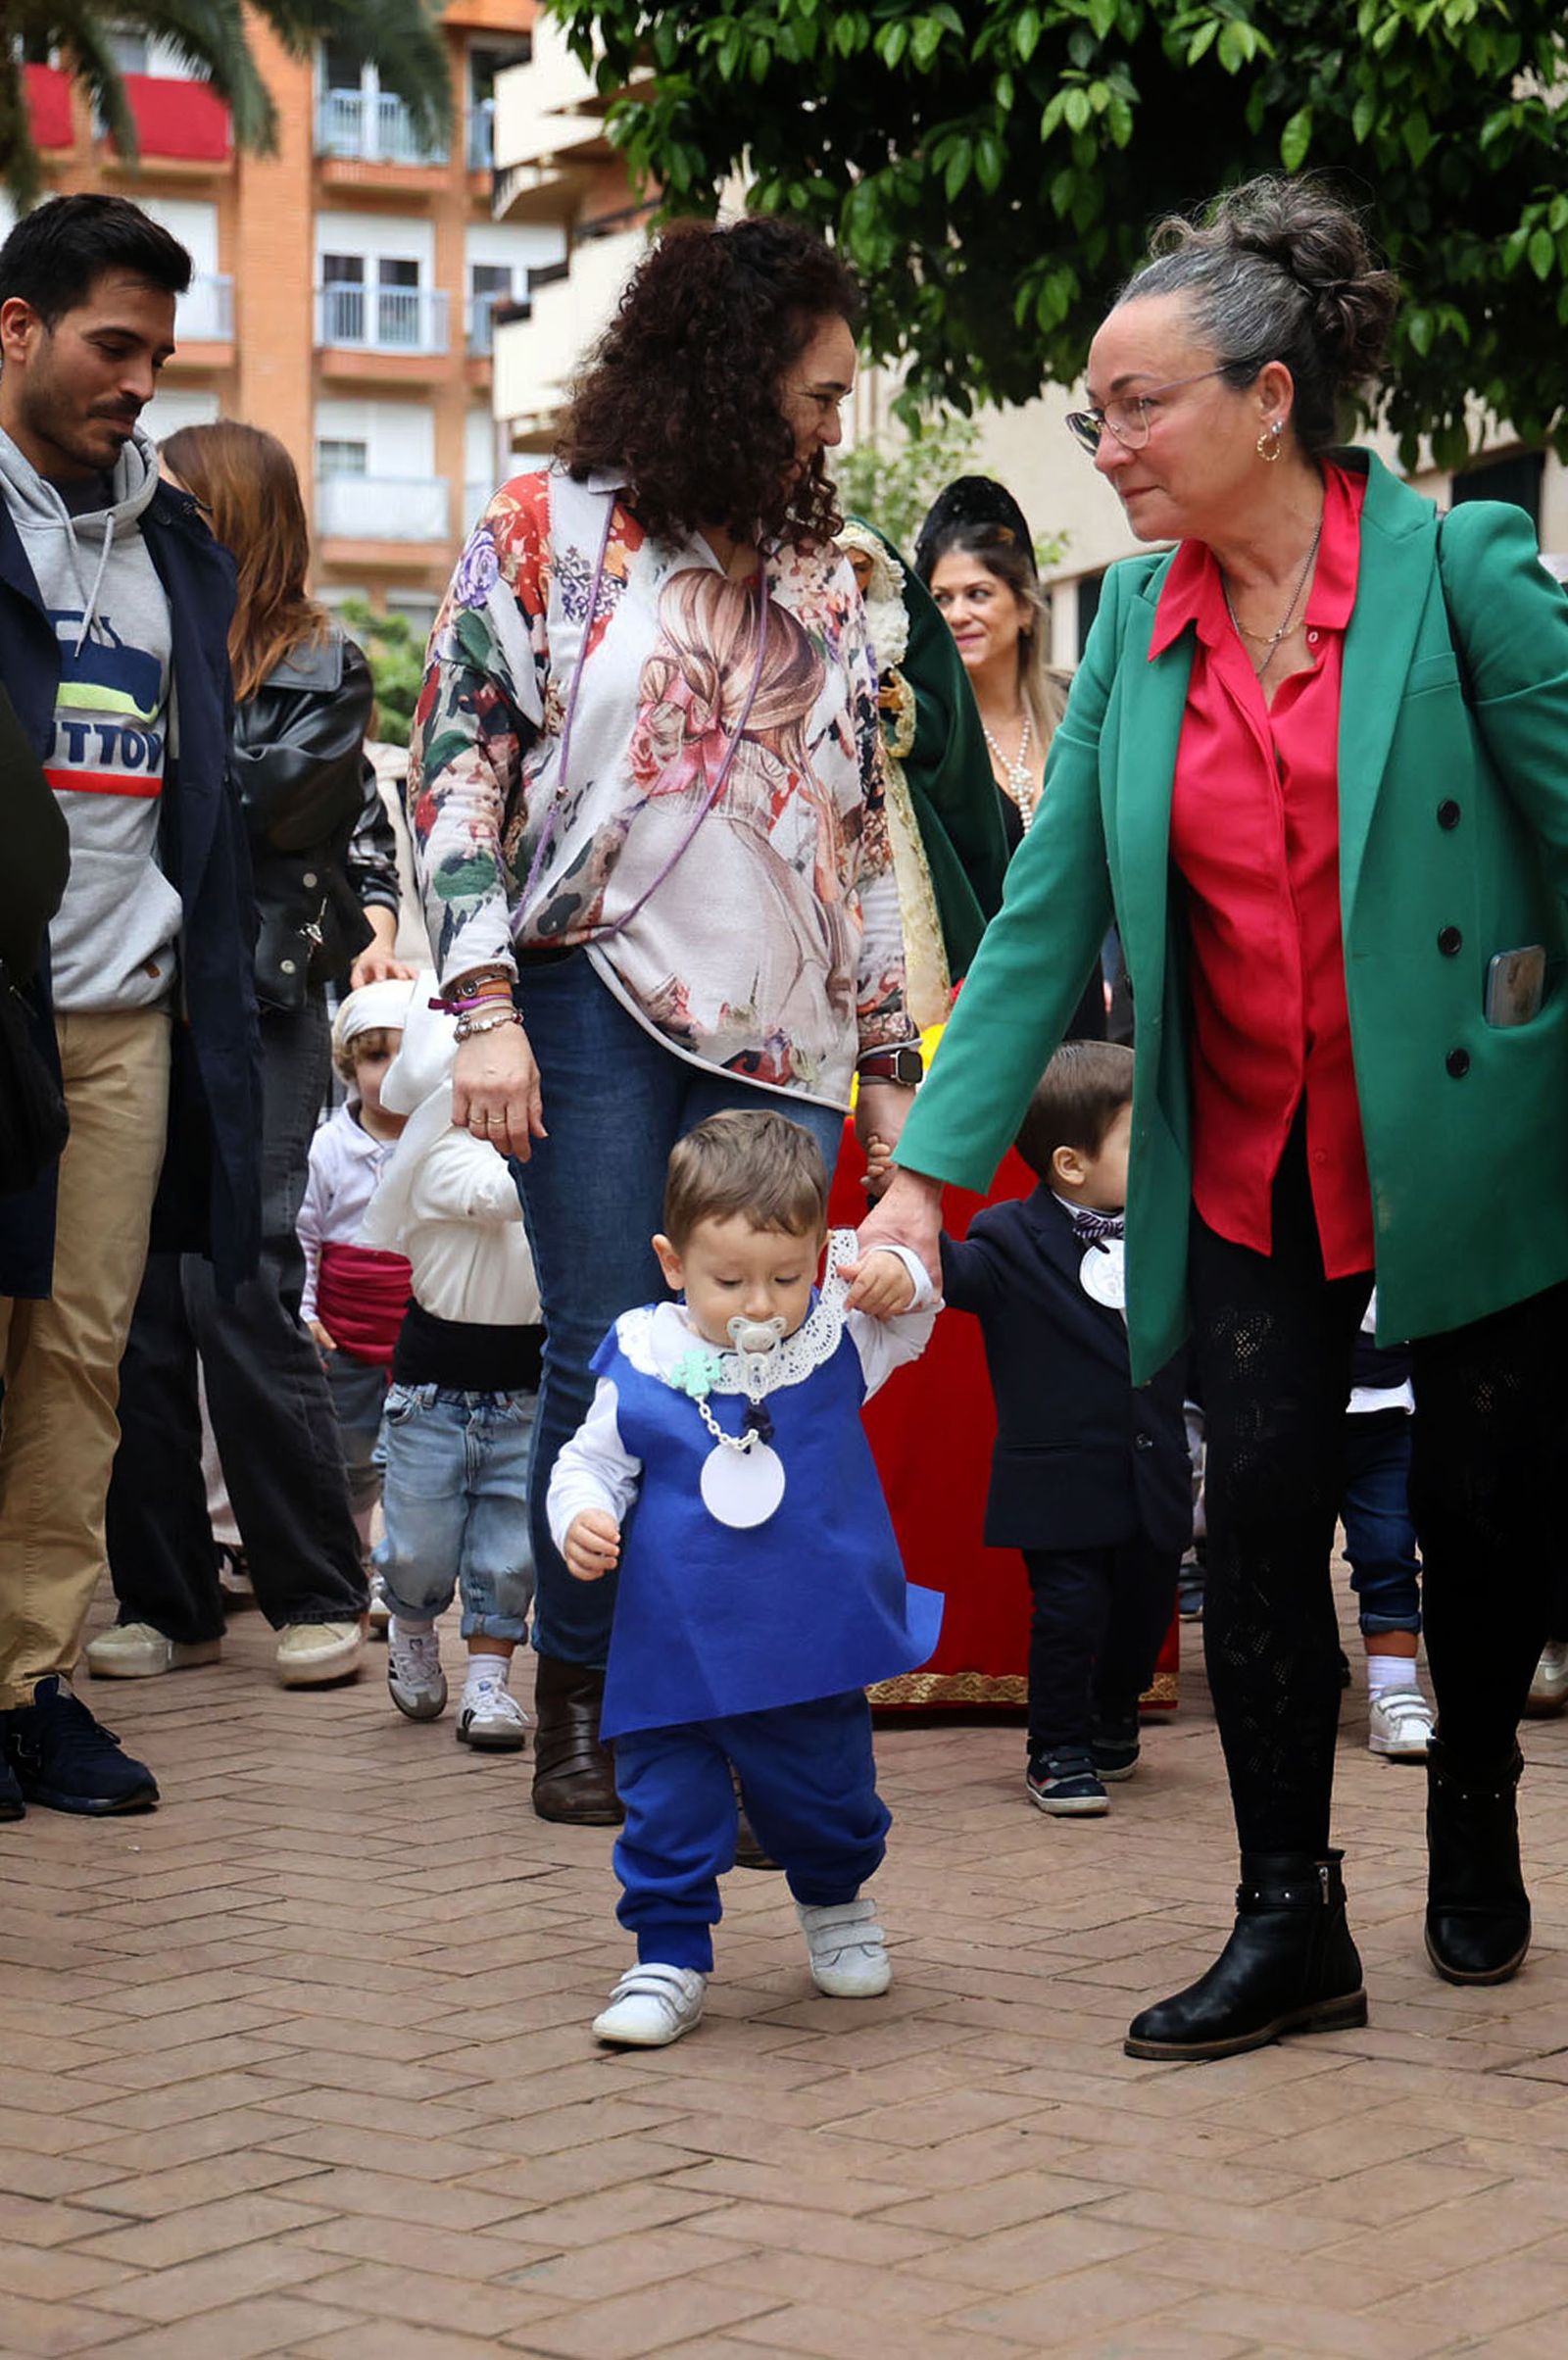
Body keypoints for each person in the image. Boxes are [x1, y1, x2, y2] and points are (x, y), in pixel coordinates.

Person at [863, 173, 1568, 2060]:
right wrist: (931, 1179)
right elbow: (1041, 923)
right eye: (1095, 408)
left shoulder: (1462, 574)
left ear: (1271, 400)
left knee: (1493, 1521)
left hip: (1467, 1142)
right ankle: (1290, 1921)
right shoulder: (1136, 642)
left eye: (1137, 404)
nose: (1107, 444)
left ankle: (1476, 1788)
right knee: (1252, 1518)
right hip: (1248, 1153)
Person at [409, 216, 922, 1825]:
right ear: (729, 370)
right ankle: (587, 1701)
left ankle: (744, 1720)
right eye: (818, 392)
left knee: (767, 1369)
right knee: (606, 1355)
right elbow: (457, 764)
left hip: (789, 1028)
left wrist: (897, 1056)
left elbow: (856, 825)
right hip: (588, 1002)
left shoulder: (831, 577)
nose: (837, 425)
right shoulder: (549, 530)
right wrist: (482, 1002)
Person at [0, 195, 260, 1817]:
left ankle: (31, 1679)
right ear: (14, 329)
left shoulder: (178, 553)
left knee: (85, 1360)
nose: (137, 383)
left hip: (125, 1015)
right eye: (111, 345)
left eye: (156, 357)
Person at [94, 420, 403, 1692]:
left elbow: (267, 804)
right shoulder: (143, 636)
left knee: (247, 1281)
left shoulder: (323, 665)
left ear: (230, 516)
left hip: (260, 1004)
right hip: (137, 992)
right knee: (141, 1301)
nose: (151, 509)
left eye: (175, 497)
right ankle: (166, 1599)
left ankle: (318, 1586)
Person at [547, 1108, 941, 2047]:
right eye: (729, 1281)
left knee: (828, 1796)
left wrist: (905, 1273)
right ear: (673, 1263)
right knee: (664, 1807)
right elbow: (588, 1460)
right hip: (672, 1643)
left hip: (804, 1643)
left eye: (787, 1277)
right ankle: (668, 1955)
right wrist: (580, 1515)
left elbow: (919, 1318)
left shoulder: (834, 1340)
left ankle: (837, 1903)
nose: (761, 1305)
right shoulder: (644, 1356)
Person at [931, 1044, 1187, 1817]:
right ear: (1071, 1164)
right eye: (1137, 1141)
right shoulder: (1008, 1236)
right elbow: (956, 1276)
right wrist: (897, 1201)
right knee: (1071, 1612)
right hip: (1061, 1481)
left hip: (1151, 1477)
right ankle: (1056, 1748)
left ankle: (1116, 1707)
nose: (1159, 1154)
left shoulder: (1166, 1229)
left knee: (1143, 1612)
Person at [359, 975, 543, 1748]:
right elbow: (502, 1196)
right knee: (420, 1544)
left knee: (509, 1548)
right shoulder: (440, 1162)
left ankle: (491, 1682)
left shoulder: (536, 1152)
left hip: (524, 1391)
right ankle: (410, 1622)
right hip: (432, 1394)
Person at [916, 475, 1104, 1039]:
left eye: (978, 594)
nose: (957, 614)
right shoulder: (928, 739)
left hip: (1086, 1002)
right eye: (941, 599)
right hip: (977, 1013)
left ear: (1024, 609)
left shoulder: (1081, 710)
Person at [834, 518, 1006, 1026]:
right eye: (844, 567)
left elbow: (941, 714)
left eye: (861, 568)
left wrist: (901, 703)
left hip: (889, 796)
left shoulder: (894, 628)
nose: (852, 577)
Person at [297, 980, 415, 1658]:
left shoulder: (438, 1140)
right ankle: (350, 1564)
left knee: (408, 1461)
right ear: (348, 1066)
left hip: (415, 1332)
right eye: (374, 1058)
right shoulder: (325, 1149)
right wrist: (305, 1311)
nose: (388, 1074)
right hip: (344, 1335)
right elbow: (305, 1237)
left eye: (403, 1058)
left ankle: (395, 1577)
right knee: (348, 1462)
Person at [1343, 1293, 1433, 1760]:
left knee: (1389, 1548)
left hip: (1385, 1406)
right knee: (1282, 1552)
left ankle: (1394, 1688)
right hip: (1285, 1401)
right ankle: (1284, 1670)